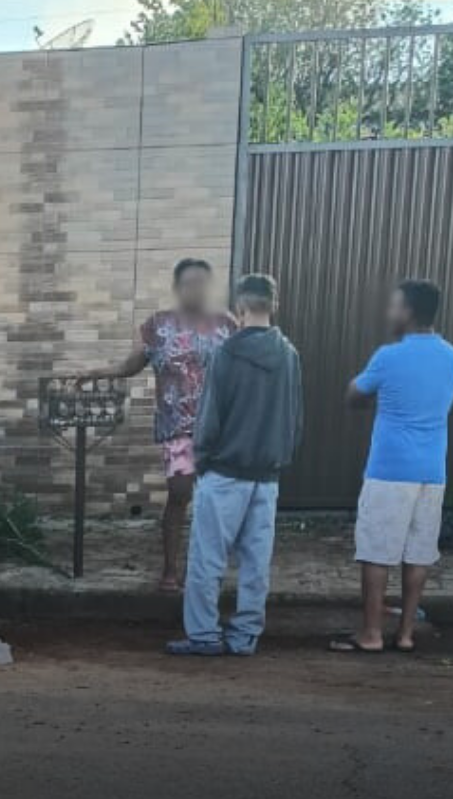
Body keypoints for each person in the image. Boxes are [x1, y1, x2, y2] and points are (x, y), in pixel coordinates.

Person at [167, 274, 302, 657]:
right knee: (256, 562)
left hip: (225, 472)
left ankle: (204, 635)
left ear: (239, 308)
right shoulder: (289, 355)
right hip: (268, 474)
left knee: (207, 559)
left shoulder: (226, 354)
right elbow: (296, 418)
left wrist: (203, 460)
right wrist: (280, 456)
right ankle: (245, 637)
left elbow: (209, 418)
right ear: (273, 305)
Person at [81, 258, 236, 592]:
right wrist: (100, 373)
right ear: (177, 287)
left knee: (216, 501)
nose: (196, 289)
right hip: (177, 427)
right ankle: (170, 569)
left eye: (202, 283)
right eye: (189, 283)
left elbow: (244, 371)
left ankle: (206, 568)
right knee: (179, 494)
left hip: (220, 429)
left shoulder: (227, 324)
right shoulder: (159, 324)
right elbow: (132, 364)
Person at [330, 280, 453, 654]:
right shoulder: (452, 356)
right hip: (432, 471)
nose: (389, 313)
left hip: (390, 469)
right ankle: (405, 634)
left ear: (408, 312)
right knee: (419, 553)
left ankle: (371, 634)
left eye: (394, 306)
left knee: (377, 552)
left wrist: (372, 396)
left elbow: (354, 396)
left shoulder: (388, 356)